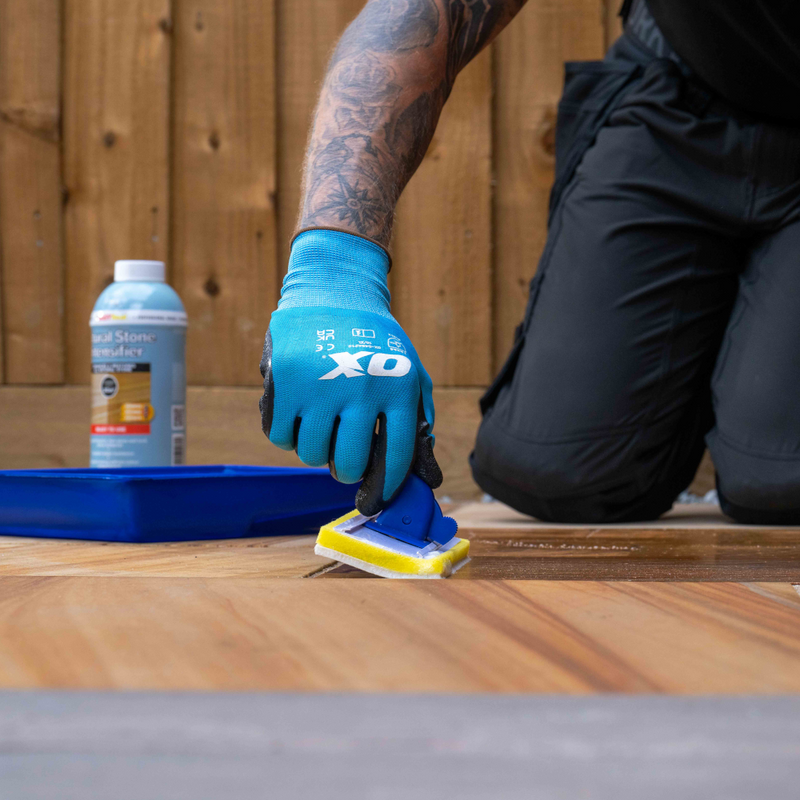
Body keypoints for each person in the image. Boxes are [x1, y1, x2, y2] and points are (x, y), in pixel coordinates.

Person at [261, 0, 800, 524]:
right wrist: (334, 268)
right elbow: (423, 12)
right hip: (678, 92)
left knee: (779, 481)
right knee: (552, 472)